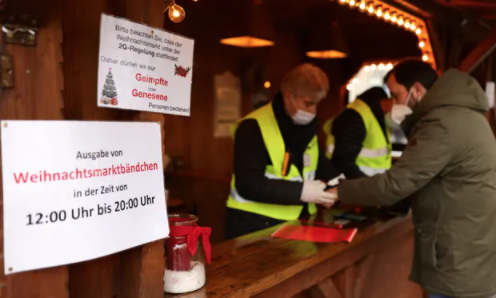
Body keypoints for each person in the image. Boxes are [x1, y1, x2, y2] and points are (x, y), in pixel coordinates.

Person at [328, 59, 496, 298]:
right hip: (470, 251)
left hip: (458, 260)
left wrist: (339, 191)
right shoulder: (462, 113)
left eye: (396, 95)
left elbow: (395, 184)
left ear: (416, 90)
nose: (393, 104)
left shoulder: (442, 124)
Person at [225, 63, 341, 240]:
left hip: (298, 222)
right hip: (254, 225)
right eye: (308, 103)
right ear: (288, 97)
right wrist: (302, 192)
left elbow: (316, 162)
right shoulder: (253, 126)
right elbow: (248, 183)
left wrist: (337, 183)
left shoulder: (307, 126)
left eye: (316, 104)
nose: (313, 111)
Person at [323, 86, 392, 179]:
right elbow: (342, 161)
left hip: (369, 187)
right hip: (355, 188)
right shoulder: (355, 116)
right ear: (393, 98)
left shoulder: (378, 116)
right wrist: (369, 186)